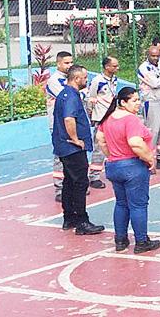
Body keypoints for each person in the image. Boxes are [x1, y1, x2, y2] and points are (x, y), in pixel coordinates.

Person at [95, 86, 160, 254]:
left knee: (121, 203)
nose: (138, 103)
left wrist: (112, 155)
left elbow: (101, 139)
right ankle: (141, 241)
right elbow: (135, 143)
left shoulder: (108, 118)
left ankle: (120, 239)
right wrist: (149, 158)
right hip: (132, 166)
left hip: (114, 166)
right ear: (123, 102)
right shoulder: (131, 120)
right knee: (138, 205)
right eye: (134, 100)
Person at [52, 65, 104, 236]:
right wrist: (75, 139)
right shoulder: (71, 96)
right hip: (71, 147)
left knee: (69, 181)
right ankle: (82, 221)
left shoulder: (65, 94)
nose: (86, 80)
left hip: (63, 146)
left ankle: (69, 217)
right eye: (84, 77)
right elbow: (69, 119)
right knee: (80, 182)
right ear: (76, 79)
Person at [85, 56, 120, 189]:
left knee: (114, 144)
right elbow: (91, 99)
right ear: (107, 67)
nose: (117, 68)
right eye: (114, 66)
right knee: (99, 147)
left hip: (111, 116)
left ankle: (114, 169)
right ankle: (94, 177)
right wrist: (92, 116)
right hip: (100, 117)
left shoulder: (114, 79)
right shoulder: (97, 81)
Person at [46, 51, 74, 201]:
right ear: (58, 64)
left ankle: (72, 185)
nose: (69, 65)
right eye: (66, 63)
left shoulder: (71, 79)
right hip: (58, 124)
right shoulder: (54, 81)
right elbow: (67, 98)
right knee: (60, 155)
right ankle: (59, 189)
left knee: (73, 154)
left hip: (71, 122)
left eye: (71, 62)